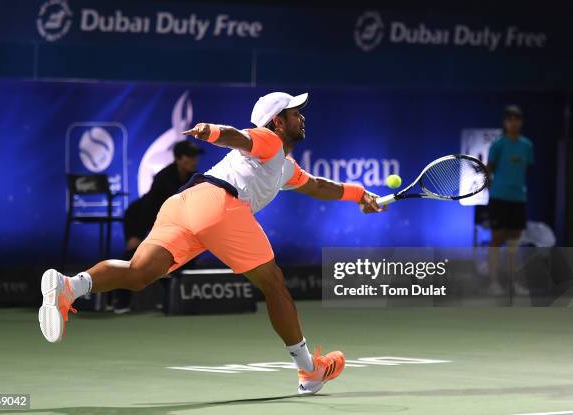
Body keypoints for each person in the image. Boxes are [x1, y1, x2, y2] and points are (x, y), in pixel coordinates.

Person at [38, 92, 385, 394]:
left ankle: (69, 285)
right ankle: (309, 370)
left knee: (140, 273)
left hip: (183, 204)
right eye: (295, 113)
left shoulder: (284, 166)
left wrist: (360, 195)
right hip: (220, 206)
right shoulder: (269, 140)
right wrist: (213, 132)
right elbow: (240, 137)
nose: (301, 117)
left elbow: (319, 186)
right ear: (277, 122)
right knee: (274, 284)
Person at [112, 141, 203, 313]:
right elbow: (149, 207)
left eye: (195, 156)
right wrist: (137, 235)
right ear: (179, 159)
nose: (194, 160)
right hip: (140, 219)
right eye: (190, 156)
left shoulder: (196, 178)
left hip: (171, 225)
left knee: (181, 260)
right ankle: (120, 302)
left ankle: (173, 301)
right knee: (134, 257)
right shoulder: (163, 178)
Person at [486, 105, 534, 295]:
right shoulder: (498, 145)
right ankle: (493, 283)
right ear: (505, 123)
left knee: (514, 241)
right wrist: (493, 190)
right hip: (499, 198)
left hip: (518, 198)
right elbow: (489, 170)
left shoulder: (527, 145)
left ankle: (513, 282)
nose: (513, 123)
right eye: (510, 119)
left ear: (520, 122)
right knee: (497, 239)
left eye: (517, 119)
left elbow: (526, 169)